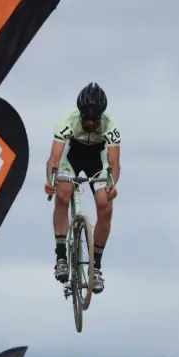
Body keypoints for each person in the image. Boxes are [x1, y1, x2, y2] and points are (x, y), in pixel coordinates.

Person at [44, 82, 120, 294]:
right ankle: (61, 256)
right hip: (72, 158)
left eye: (94, 120)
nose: (89, 123)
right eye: (86, 118)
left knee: (106, 206)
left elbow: (114, 163)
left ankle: (96, 269)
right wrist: (51, 181)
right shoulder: (67, 123)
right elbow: (54, 158)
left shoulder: (110, 126)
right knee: (63, 194)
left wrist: (112, 186)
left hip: (97, 159)